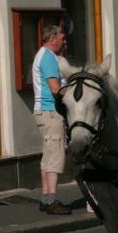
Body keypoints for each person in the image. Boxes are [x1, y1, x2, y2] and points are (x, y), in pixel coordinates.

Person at [32, 25, 71, 215]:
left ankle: (46, 198)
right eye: (62, 38)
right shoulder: (47, 57)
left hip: (44, 112)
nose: (64, 41)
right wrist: (74, 93)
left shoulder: (44, 55)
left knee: (48, 156)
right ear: (52, 39)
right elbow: (55, 88)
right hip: (51, 111)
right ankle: (52, 200)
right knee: (55, 155)